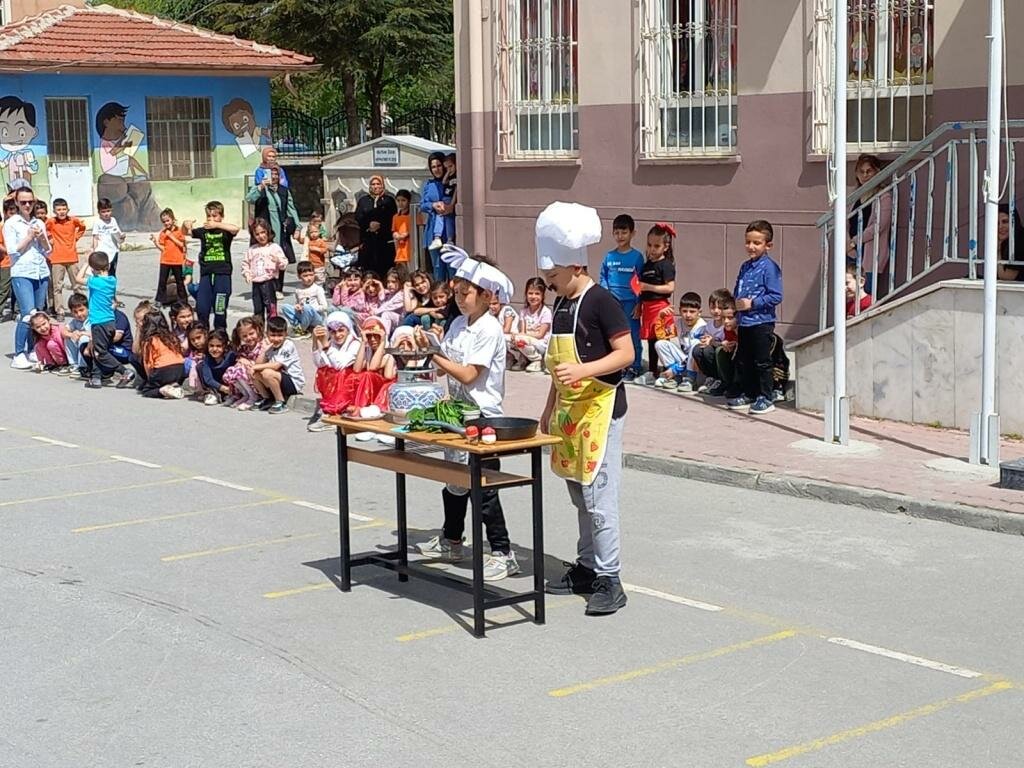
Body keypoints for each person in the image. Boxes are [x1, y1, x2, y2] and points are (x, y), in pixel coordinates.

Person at [535, 201, 634, 616]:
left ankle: (610, 578)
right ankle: (586, 565)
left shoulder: (601, 302)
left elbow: (626, 354)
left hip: (601, 411)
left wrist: (586, 369)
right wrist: (549, 407)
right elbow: (559, 368)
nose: (549, 283)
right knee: (578, 493)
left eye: (553, 276)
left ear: (575, 266)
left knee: (599, 497)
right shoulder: (561, 306)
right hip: (571, 412)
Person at [414, 245, 520, 582]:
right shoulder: (459, 323)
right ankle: (452, 539)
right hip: (457, 413)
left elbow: (468, 374)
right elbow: (446, 369)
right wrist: (426, 345)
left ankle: (503, 552)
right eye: (457, 292)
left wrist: (434, 355)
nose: (460, 299)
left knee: (484, 488)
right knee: (455, 482)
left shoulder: (489, 329)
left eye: (466, 293)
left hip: (483, 417)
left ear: (487, 295)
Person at [728, 220, 783, 415]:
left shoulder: (770, 268)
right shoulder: (745, 266)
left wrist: (753, 303)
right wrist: (737, 313)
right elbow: (738, 291)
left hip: (762, 322)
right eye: (748, 242)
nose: (751, 247)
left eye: (756, 243)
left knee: (762, 360)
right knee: (744, 359)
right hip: (745, 322)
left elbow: (776, 295)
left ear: (768, 245)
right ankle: (749, 392)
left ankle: (766, 396)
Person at [5, 185, 51, 369]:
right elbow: (12, 251)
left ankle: (33, 349)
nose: (27, 205)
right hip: (22, 271)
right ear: (16, 202)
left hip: (40, 271)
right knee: (27, 314)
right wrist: (29, 237)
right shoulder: (11, 223)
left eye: (30, 202)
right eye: (23, 202)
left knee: (38, 314)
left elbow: (48, 250)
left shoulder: (39, 222)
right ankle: (18, 354)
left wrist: (40, 239)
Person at [600, 214, 645, 381]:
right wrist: (606, 297)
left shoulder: (637, 257)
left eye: (624, 232)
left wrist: (639, 304)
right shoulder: (609, 257)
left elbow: (641, 280)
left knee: (633, 334)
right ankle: (618, 365)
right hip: (613, 303)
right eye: (616, 232)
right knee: (614, 334)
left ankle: (635, 366)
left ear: (632, 233)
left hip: (631, 303)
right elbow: (603, 276)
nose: (620, 236)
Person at [81, 251, 135, 390]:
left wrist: (86, 263)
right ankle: (96, 378)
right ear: (108, 265)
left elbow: (77, 278)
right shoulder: (112, 280)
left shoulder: (95, 282)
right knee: (98, 348)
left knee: (100, 353)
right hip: (111, 321)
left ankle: (124, 371)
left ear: (93, 269)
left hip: (99, 322)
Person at [183, 201, 240, 331]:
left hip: (223, 274)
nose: (211, 219)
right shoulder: (203, 231)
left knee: (220, 308)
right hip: (206, 274)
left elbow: (235, 229)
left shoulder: (225, 231)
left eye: (215, 216)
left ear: (221, 216)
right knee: (202, 308)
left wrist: (217, 224)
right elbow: (187, 232)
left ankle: (220, 333)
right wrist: (186, 225)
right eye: (209, 216)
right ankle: (203, 334)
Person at [634, 222, 677, 384]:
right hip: (647, 308)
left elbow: (670, 287)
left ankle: (669, 371)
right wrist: (639, 305)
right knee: (651, 341)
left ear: (665, 247)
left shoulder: (666, 265)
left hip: (661, 307)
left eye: (656, 246)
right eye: (650, 245)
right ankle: (653, 371)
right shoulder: (646, 265)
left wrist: (647, 286)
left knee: (662, 340)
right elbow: (640, 289)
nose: (652, 249)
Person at [245, 166, 299, 294]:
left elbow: (291, 208)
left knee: (279, 256)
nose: (273, 177)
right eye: (271, 174)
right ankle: (262, 284)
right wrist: (261, 187)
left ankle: (278, 288)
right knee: (262, 256)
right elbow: (249, 198)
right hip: (264, 228)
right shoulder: (259, 189)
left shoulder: (284, 190)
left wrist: (297, 227)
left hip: (280, 229)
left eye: (276, 174)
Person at [847, 154, 892, 294]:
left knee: (865, 293)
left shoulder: (884, 196)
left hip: (870, 253)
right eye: (861, 171)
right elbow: (844, 221)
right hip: (850, 251)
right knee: (848, 293)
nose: (865, 175)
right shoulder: (853, 197)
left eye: (869, 171)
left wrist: (855, 241)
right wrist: (848, 243)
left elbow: (880, 225)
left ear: (877, 172)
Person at [310, 310, 361, 425]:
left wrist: (326, 346)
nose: (338, 335)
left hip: (351, 383)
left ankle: (333, 411)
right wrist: (315, 341)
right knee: (323, 371)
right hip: (336, 384)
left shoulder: (355, 343)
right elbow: (320, 364)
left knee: (339, 373)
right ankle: (329, 405)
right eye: (333, 332)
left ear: (348, 329)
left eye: (341, 330)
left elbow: (340, 365)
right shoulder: (332, 343)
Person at [654, 292, 707, 392]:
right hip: (683, 360)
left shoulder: (702, 327)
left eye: (692, 311)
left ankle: (690, 379)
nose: (688, 315)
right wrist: (661, 317)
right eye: (684, 311)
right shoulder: (678, 323)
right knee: (660, 344)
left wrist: (676, 368)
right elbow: (661, 336)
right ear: (679, 310)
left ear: (699, 312)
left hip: (695, 364)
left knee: (695, 343)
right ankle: (675, 377)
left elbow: (696, 353)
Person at [251, 316, 305, 414]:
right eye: (273, 335)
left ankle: (281, 402)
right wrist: (264, 351)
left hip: (293, 382)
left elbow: (276, 365)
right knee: (254, 373)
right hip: (277, 379)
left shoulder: (288, 345)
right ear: (267, 335)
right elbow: (258, 363)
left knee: (267, 372)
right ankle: (266, 398)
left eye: (280, 335)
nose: (276, 339)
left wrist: (254, 367)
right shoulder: (269, 346)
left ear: (286, 334)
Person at [46, 198, 86, 321]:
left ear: (67, 209)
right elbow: (45, 230)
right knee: (57, 286)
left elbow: (82, 227)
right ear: (54, 210)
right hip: (57, 258)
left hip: (71, 257)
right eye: (59, 209)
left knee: (77, 284)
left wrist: (76, 238)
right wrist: (50, 239)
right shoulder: (51, 222)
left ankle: (82, 308)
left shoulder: (73, 220)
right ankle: (60, 310)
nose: (62, 212)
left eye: (64, 209)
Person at [242, 217, 289, 324]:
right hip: (256, 283)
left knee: (271, 308)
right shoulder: (252, 249)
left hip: (269, 283)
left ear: (268, 231)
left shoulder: (274, 247)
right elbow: (245, 264)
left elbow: (284, 263)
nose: (261, 236)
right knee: (258, 310)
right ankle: (259, 332)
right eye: (257, 234)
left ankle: (272, 331)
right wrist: (247, 274)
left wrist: (278, 261)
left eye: (263, 232)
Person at [137, 308, 186, 399]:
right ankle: (174, 385)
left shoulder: (150, 341)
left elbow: (148, 364)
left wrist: (151, 379)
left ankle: (164, 390)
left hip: (163, 369)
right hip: (180, 368)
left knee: (146, 391)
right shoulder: (171, 336)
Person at [506, 277, 552, 373]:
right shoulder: (524, 311)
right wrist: (517, 335)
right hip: (527, 340)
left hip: (541, 344)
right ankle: (521, 359)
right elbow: (523, 331)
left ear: (543, 295)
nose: (533, 296)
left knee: (520, 338)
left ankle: (537, 360)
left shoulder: (546, 312)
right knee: (505, 338)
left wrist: (522, 335)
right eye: (530, 293)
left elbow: (540, 335)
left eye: (537, 294)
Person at [354, 175, 397, 276]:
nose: (376, 186)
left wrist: (380, 225)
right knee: (368, 269)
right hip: (368, 239)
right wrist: (369, 225)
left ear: (382, 186)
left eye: (378, 184)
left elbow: (393, 217)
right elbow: (358, 217)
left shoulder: (389, 200)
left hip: (384, 239)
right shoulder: (363, 200)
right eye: (373, 184)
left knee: (385, 268)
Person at [222, 315, 267, 410]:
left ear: (258, 330)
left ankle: (253, 396)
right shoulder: (245, 348)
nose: (249, 338)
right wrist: (241, 360)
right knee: (232, 370)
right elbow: (241, 358)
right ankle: (245, 394)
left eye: (251, 333)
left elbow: (262, 362)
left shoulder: (262, 345)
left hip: (258, 374)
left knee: (240, 370)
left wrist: (248, 363)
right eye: (245, 336)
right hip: (249, 374)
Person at [693, 289, 733, 395]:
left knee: (708, 351)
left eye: (720, 308)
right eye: (713, 307)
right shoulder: (709, 325)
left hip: (723, 355)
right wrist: (705, 340)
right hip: (712, 352)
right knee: (697, 349)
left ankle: (720, 379)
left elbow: (728, 344)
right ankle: (711, 378)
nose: (716, 311)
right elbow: (706, 340)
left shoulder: (728, 324)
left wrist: (713, 342)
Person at [420, 152, 449, 281]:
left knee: (451, 266)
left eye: (439, 165)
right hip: (433, 230)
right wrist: (433, 205)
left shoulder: (450, 182)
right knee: (437, 267)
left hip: (448, 228)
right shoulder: (429, 184)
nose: (437, 169)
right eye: (433, 167)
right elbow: (422, 204)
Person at [280, 260, 328, 337]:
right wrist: (297, 306)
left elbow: (324, 307)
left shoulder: (318, 289)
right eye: (305, 276)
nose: (309, 278)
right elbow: (298, 302)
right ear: (299, 276)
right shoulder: (298, 289)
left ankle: (302, 329)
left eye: (311, 275)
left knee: (307, 307)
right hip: (303, 315)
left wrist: (310, 308)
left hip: (316, 317)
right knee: (285, 307)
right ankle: (297, 326)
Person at [152, 208, 188, 305]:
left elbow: (182, 245)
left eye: (168, 220)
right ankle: (160, 300)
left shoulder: (179, 231)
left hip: (177, 260)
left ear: (172, 219)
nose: (166, 223)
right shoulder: (163, 233)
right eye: (164, 222)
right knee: (162, 281)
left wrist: (171, 236)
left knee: (179, 281)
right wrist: (155, 243)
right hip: (165, 260)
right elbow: (163, 248)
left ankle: (183, 300)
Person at [198, 328, 237, 406]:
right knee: (199, 366)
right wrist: (223, 388)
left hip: (231, 385)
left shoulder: (231, 356)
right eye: (211, 346)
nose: (214, 349)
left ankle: (235, 395)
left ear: (225, 346)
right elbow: (208, 379)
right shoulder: (207, 359)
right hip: (217, 386)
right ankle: (211, 393)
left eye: (218, 346)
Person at [428, 155, 457, 250]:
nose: (448, 169)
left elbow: (456, 191)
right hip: (445, 199)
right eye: (446, 168)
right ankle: (438, 237)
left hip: (449, 200)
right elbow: (444, 182)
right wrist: (448, 173)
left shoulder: (457, 178)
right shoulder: (430, 183)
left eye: (450, 166)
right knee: (440, 215)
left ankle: (449, 239)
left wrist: (452, 205)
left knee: (448, 220)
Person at [92, 198, 125, 278]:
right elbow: (95, 237)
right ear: (99, 212)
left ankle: (111, 289)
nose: (106, 214)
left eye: (108, 211)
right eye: (103, 212)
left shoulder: (113, 220)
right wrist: (94, 250)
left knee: (112, 272)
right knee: (102, 272)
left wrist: (122, 236)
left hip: (113, 250)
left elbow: (118, 234)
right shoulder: (97, 222)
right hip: (102, 251)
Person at [62, 292, 91, 376]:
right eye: (75, 312)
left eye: (81, 310)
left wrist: (81, 333)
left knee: (83, 338)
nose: (79, 314)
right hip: (80, 345)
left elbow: (95, 333)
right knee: (68, 337)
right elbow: (64, 331)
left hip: (90, 348)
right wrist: (71, 334)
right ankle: (74, 364)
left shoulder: (92, 319)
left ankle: (83, 367)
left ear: (88, 308)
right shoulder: (75, 321)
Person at [995, 204, 1024, 281]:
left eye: (1005, 222)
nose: (1000, 226)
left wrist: (997, 251)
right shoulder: (1006, 242)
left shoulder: (1019, 242)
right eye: (997, 223)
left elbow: (1006, 277)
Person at [0, 197, 17, 323]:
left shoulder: (19, 226)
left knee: (17, 288)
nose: (13, 215)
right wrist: (9, 251)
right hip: (6, 262)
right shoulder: (3, 227)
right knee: (4, 289)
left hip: (18, 262)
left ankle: (16, 311)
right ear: (5, 213)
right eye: (11, 212)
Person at [302, 209, 329, 283]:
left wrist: (317, 249)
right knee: (312, 279)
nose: (314, 233)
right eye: (312, 232)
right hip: (310, 264)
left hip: (319, 265)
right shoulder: (309, 240)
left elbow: (325, 249)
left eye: (316, 232)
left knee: (320, 280)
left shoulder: (320, 241)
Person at [392, 189, 413, 265]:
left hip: (410, 247)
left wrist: (406, 234)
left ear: (409, 201)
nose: (400, 203)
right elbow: (394, 230)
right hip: (400, 248)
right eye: (398, 200)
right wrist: (396, 234)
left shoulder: (412, 215)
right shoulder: (395, 216)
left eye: (403, 200)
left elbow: (414, 230)